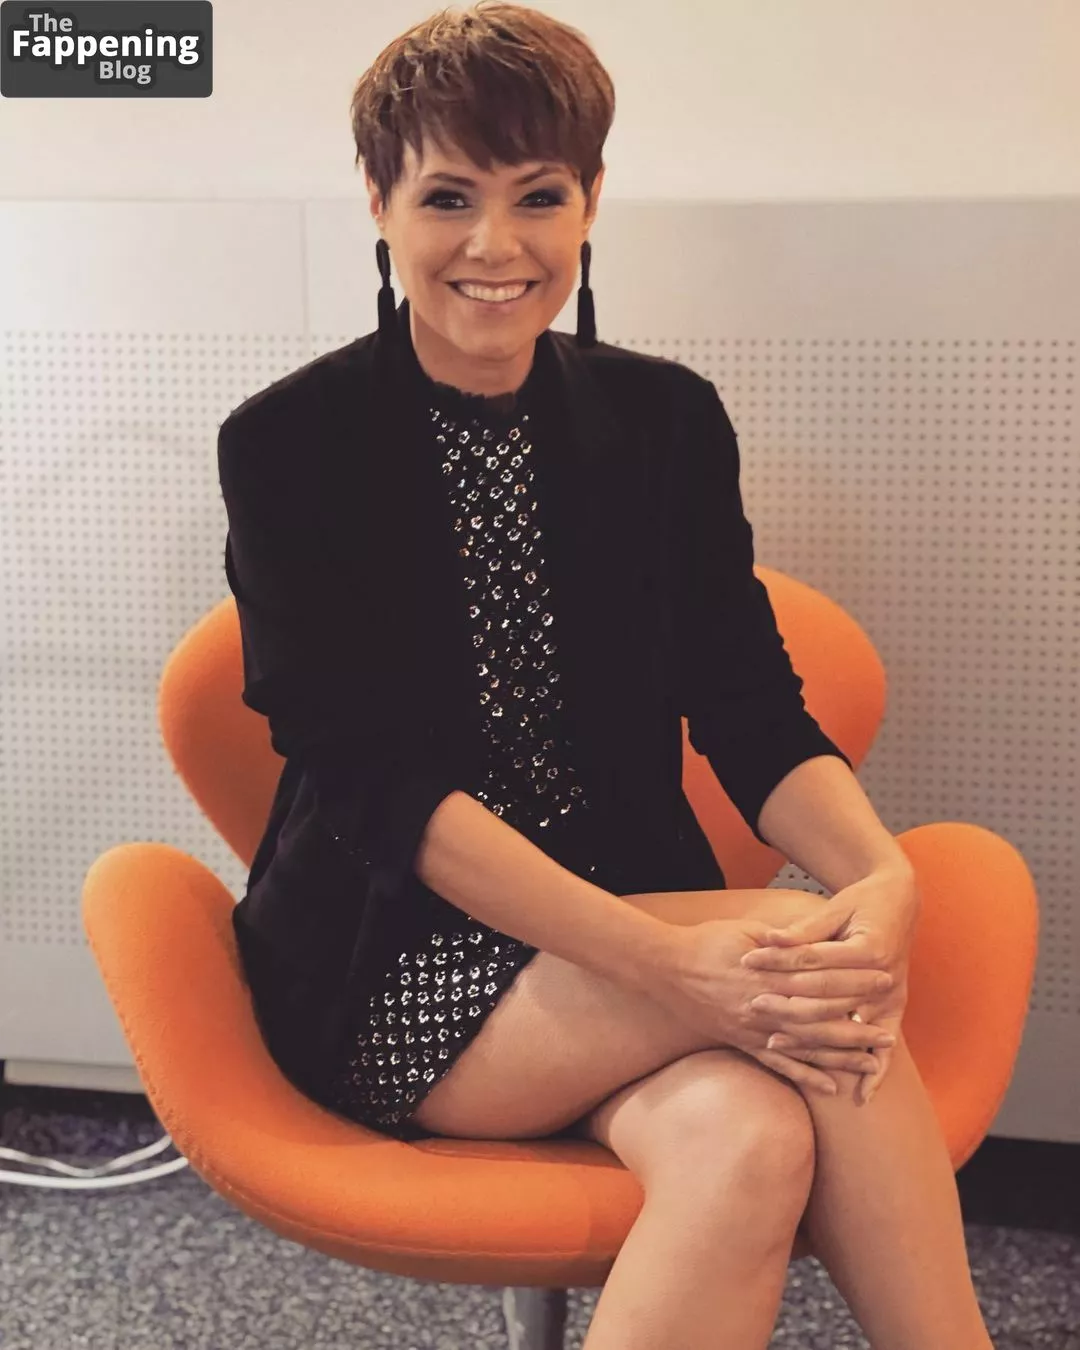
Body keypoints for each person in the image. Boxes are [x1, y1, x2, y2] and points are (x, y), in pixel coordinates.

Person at [218, 5, 996, 1347]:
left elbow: (750, 704)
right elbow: (377, 791)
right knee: (809, 990)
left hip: (642, 927)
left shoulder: (665, 419)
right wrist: (676, 964)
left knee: (750, 1135)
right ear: (379, 201)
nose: (496, 245)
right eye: (448, 197)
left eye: (539, 196)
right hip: (395, 960)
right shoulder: (289, 445)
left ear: (590, 200)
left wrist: (884, 876)